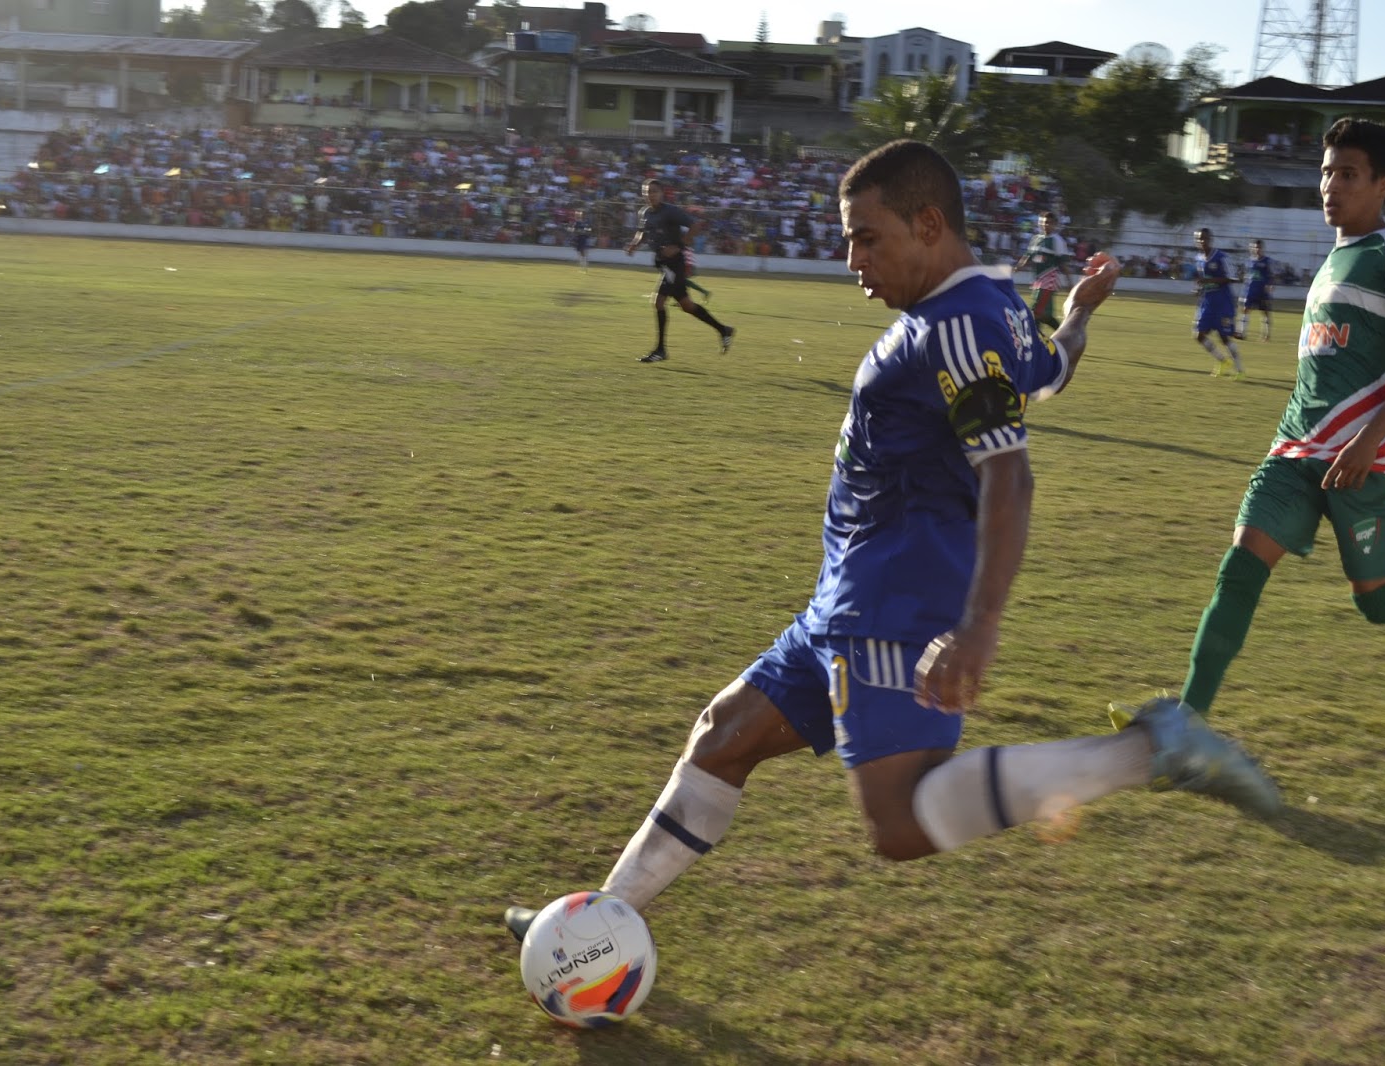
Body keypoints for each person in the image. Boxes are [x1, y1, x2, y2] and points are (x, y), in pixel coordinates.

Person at [505, 140, 1279, 941]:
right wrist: (1081, 310)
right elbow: (1052, 367)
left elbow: (1010, 475)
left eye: (867, 238)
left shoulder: (955, 322)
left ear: (929, 225)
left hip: (894, 600)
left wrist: (978, 625)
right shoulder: (993, 308)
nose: (853, 260)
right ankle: (594, 932)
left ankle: (1151, 750)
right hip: (845, 595)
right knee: (722, 738)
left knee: (900, 822)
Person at [1178, 118, 1385, 717]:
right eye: (1326, 173)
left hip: (1365, 462)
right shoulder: (1329, 263)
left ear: (1384, 185)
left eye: (1348, 174)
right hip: (1295, 452)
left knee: (1379, 601)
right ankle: (1185, 722)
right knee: (1239, 569)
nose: (1331, 185)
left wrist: (1366, 441)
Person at [627, 178, 734, 363]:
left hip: (675, 264)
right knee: (687, 305)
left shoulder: (670, 211)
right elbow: (642, 231)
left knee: (658, 302)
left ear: (662, 193)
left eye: (654, 191)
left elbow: (695, 225)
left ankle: (661, 350)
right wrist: (634, 244)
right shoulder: (644, 212)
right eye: (646, 191)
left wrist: (678, 246)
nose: (650, 195)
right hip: (663, 264)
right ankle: (724, 330)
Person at [1193, 228, 1245, 378]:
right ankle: (1222, 361)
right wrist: (1198, 288)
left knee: (1224, 337)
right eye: (1198, 239)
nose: (1201, 241)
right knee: (1198, 335)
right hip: (1207, 302)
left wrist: (1208, 281)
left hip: (1223, 303)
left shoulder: (1221, 257)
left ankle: (1240, 370)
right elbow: (1202, 280)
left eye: (1204, 238)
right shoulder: (1198, 258)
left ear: (1210, 239)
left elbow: (1233, 278)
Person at [1014, 210, 1072, 331]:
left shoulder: (1057, 241)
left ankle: (1036, 336)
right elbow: (1028, 255)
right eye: (1044, 222)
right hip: (1037, 280)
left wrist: (1069, 282)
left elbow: (1063, 263)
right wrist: (1019, 266)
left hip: (1049, 279)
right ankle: (1063, 333)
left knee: (1036, 310)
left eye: (1049, 223)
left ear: (1055, 225)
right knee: (1043, 314)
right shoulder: (1036, 238)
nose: (1046, 225)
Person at [1237, 238, 1275, 342]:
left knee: (1265, 312)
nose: (1257, 249)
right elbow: (1245, 275)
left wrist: (1270, 285)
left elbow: (1272, 275)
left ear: (1262, 248)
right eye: (1255, 247)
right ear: (1252, 248)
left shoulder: (1267, 261)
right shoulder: (1248, 261)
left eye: (1259, 247)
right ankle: (1242, 333)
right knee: (1245, 310)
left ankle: (1266, 335)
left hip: (1262, 291)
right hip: (1250, 291)